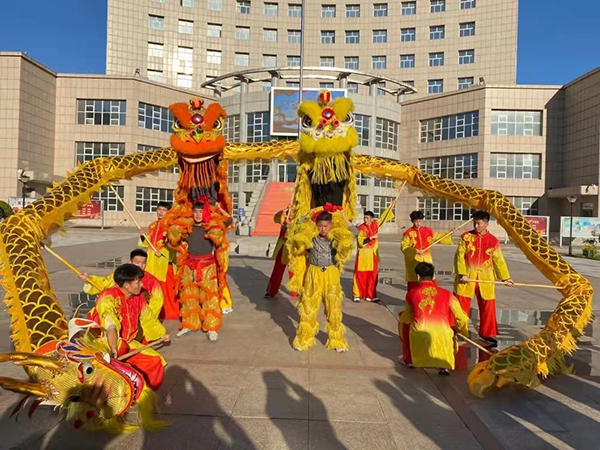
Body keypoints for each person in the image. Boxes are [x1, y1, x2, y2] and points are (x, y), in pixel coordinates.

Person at [87, 264, 170, 390]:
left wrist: (161, 335)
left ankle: (143, 394)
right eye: (138, 282)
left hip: (129, 342)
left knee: (155, 361)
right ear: (126, 285)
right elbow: (110, 325)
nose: (141, 285)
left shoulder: (139, 297)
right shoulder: (108, 298)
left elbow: (148, 318)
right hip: (108, 343)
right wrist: (114, 350)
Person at [293, 210, 359, 352]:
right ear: (316, 225)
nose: (323, 229)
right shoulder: (311, 237)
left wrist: (345, 220)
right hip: (313, 273)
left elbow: (356, 233)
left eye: (326, 226)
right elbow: (296, 228)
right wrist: (306, 216)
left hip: (331, 273)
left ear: (331, 226)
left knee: (333, 309)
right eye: (320, 226)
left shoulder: (336, 239)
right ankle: (303, 340)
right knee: (308, 308)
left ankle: (337, 341)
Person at [453, 210, 514, 347]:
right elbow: (459, 257)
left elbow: (498, 260)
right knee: (460, 305)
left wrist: (505, 278)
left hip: (485, 278)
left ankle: (487, 333)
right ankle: (458, 331)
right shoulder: (466, 237)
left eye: (479, 223)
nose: (476, 226)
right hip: (467, 277)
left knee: (488, 306)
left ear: (486, 223)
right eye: (474, 223)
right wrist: (462, 273)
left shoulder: (493, 241)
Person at [399, 262, 469, 374]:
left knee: (403, 322)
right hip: (443, 334)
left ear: (418, 277)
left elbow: (406, 318)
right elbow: (462, 317)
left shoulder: (412, 294)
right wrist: (461, 331)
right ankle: (443, 364)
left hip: (421, 333)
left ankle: (411, 359)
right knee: (447, 333)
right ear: (433, 276)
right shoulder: (447, 294)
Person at [177, 201, 233, 341]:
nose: (198, 214)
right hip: (190, 266)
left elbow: (229, 219)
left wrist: (218, 208)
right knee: (189, 296)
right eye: (195, 211)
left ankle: (211, 327)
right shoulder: (188, 227)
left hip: (207, 266)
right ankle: (189, 324)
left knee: (210, 297)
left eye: (201, 212)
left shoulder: (211, 227)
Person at [79, 248, 164, 321]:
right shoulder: (123, 274)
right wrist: (89, 279)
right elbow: (104, 283)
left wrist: (146, 318)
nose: (141, 266)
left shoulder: (152, 281)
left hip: (138, 316)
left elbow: (157, 302)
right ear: (131, 261)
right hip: (118, 312)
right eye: (137, 262)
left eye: (143, 263)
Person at [139, 201, 179, 320]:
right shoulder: (152, 226)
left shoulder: (172, 227)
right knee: (152, 289)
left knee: (167, 290)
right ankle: (153, 312)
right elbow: (147, 243)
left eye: (164, 210)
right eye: (159, 209)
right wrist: (143, 236)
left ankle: (170, 313)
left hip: (165, 264)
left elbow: (175, 244)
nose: (161, 212)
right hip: (152, 262)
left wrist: (163, 253)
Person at [401, 210, 452, 293]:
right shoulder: (408, 233)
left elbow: (438, 237)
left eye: (420, 221)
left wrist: (450, 233)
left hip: (427, 260)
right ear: (412, 221)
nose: (418, 223)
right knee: (414, 288)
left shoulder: (428, 231)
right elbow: (404, 247)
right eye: (416, 221)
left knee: (431, 285)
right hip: (414, 262)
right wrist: (415, 251)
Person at [265, 207, 296, 298]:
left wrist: (290, 226)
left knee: (293, 271)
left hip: (292, 248)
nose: (290, 212)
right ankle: (271, 291)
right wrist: (283, 211)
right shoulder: (284, 219)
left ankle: (295, 291)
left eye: (292, 211)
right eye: (289, 211)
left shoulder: (298, 221)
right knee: (277, 271)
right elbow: (276, 217)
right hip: (282, 247)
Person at [352, 211, 380, 302]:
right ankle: (357, 294)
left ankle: (370, 295)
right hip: (363, 254)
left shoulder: (375, 224)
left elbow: (385, 216)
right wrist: (371, 237)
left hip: (372, 253)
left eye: (367, 218)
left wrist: (392, 205)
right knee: (359, 275)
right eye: (365, 218)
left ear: (372, 219)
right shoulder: (361, 228)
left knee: (372, 276)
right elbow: (361, 242)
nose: (365, 220)